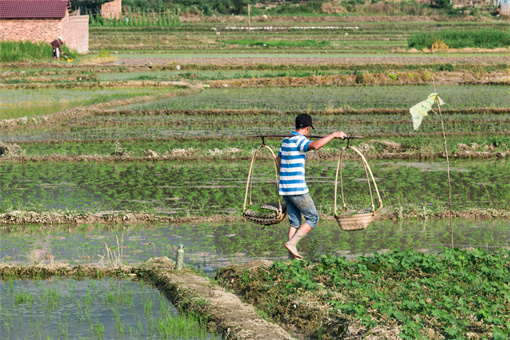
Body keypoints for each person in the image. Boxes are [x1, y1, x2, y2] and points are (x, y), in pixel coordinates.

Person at [277, 113, 346, 260]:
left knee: (294, 222)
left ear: (296, 125)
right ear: (307, 128)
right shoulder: (300, 140)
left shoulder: (286, 140)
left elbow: (278, 159)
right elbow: (314, 145)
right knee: (313, 217)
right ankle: (292, 243)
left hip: (285, 187)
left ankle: (291, 259)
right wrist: (334, 135)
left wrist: (283, 175)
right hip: (297, 188)